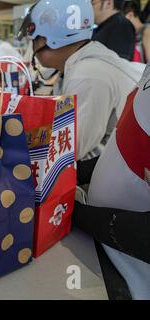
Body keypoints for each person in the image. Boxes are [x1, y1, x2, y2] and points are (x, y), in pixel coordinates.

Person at [18, 0, 145, 163]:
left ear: (50, 38)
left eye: (34, 39)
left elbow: (69, 150)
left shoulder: (87, 74)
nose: (33, 46)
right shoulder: (85, 63)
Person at [74, 62, 150, 299]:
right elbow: (128, 147)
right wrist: (67, 172)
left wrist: (74, 214)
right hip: (108, 252)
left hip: (133, 277)